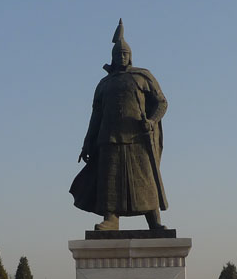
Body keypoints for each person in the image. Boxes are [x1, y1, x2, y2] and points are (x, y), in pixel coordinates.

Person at [71, 18, 169, 231]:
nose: (122, 57)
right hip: (109, 139)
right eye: (118, 54)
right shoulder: (104, 84)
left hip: (138, 138)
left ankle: (154, 221)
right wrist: (87, 143)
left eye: (125, 54)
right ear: (113, 57)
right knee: (110, 181)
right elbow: (96, 116)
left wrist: (152, 121)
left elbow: (161, 102)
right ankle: (111, 218)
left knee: (145, 179)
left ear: (130, 56)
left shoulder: (142, 76)